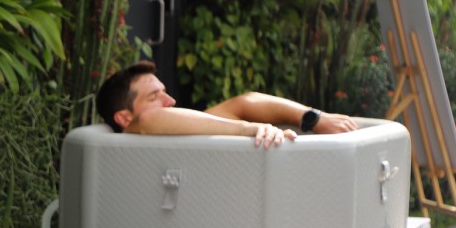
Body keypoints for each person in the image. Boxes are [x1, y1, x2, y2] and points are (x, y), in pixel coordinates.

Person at [95, 60, 357, 149]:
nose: (171, 101)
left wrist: (313, 118)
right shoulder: (133, 133)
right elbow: (149, 120)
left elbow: (245, 103)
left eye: (165, 92)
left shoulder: (187, 129)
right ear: (124, 118)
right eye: (154, 97)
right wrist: (250, 129)